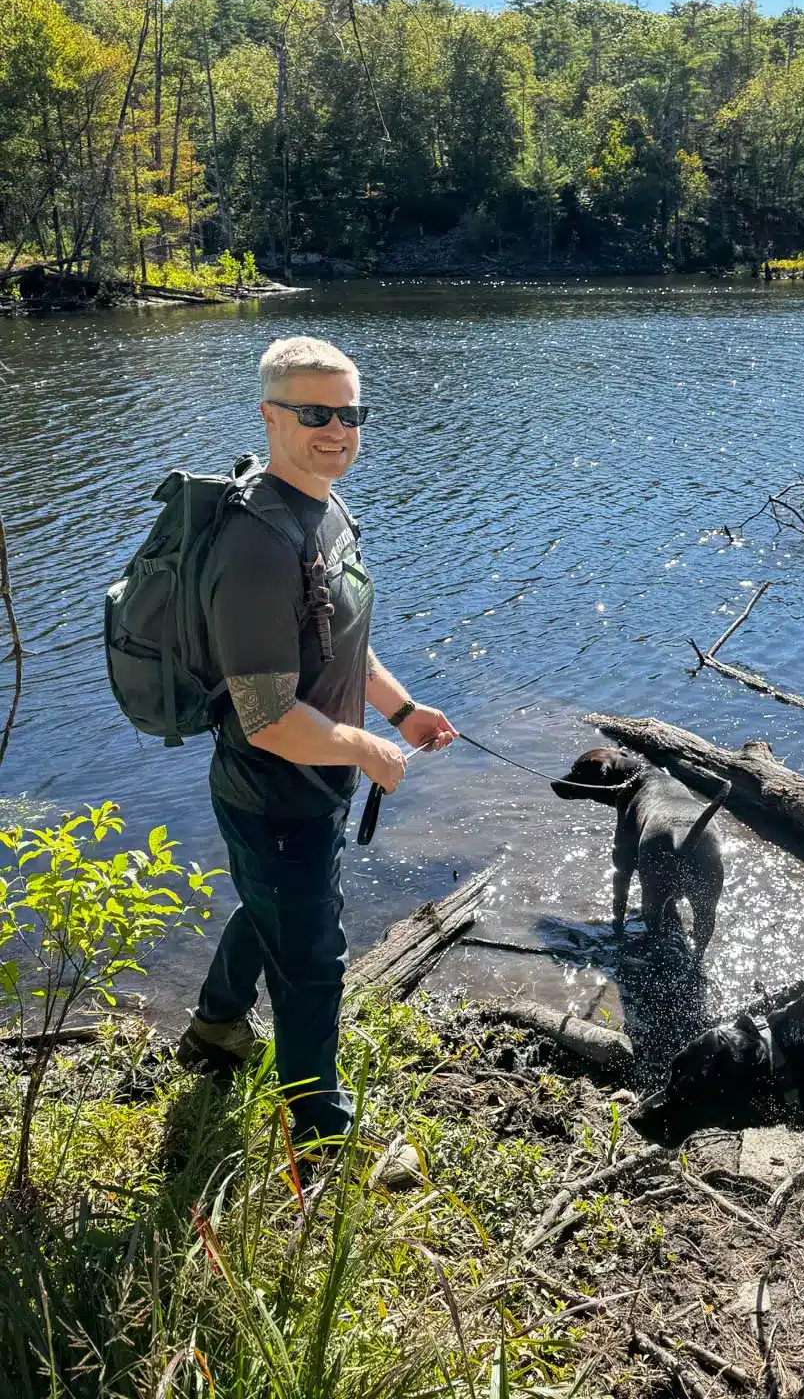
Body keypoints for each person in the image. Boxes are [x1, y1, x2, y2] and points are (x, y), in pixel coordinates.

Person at [177, 335, 456, 1151]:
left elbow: (339, 644)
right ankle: (323, 1135)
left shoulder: (326, 507)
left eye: (350, 412)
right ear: (271, 415)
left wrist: (400, 712)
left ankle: (215, 1030)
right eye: (315, 413)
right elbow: (266, 716)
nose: (337, 429)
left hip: (315, 783)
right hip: (272, 792)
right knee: (314, 963)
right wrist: (367, 752)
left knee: (282, 908)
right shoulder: (256, 544)